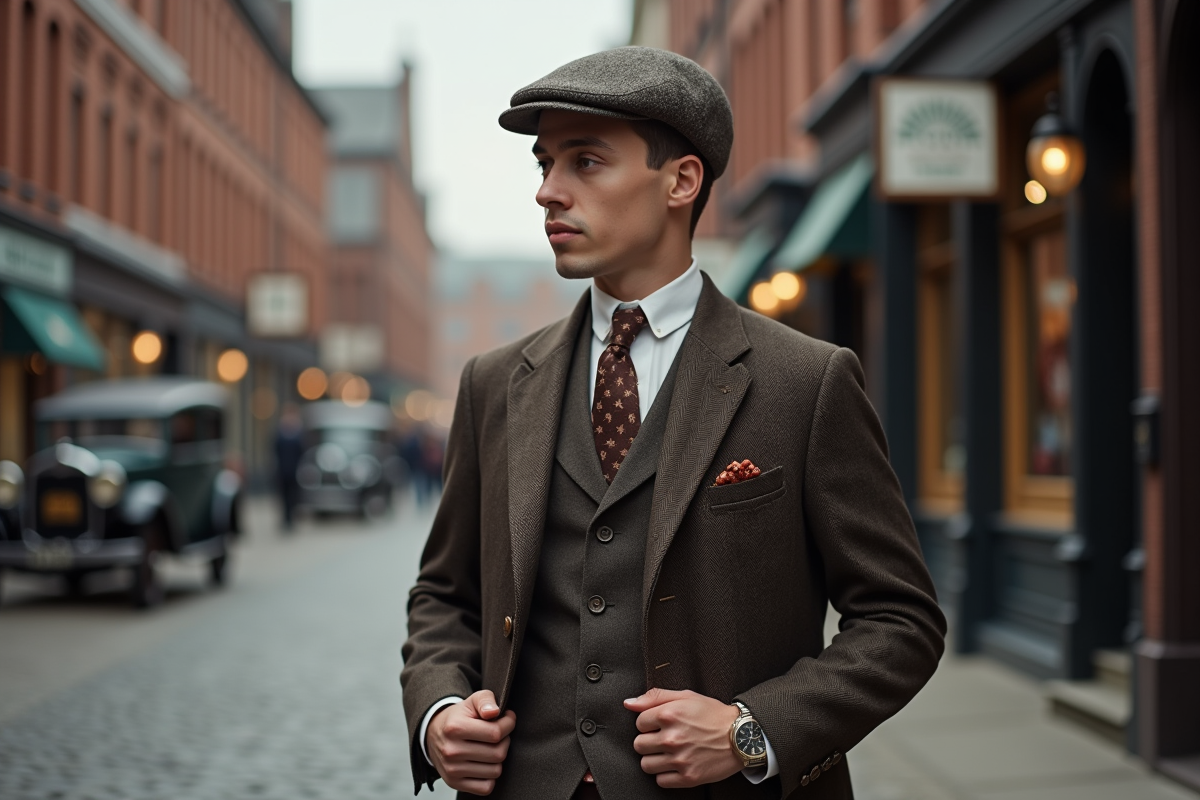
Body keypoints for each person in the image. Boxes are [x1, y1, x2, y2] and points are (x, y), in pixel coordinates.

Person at [400, 47, 946, 800]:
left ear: (681, 181)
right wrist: (438, 712)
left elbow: (900, 621)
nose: (548, 193)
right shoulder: (493, 383)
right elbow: (444, 595)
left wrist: (750, 730)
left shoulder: (805, 380)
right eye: (544, 164)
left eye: (585, 162)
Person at [273, 403, 304, 531]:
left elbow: (302, 450)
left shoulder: (298, 431)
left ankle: (291, 518)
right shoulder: (280, 431)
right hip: (282, 469)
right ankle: (285, 518)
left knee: (293, 495)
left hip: (295, 469)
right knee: (283, 495)